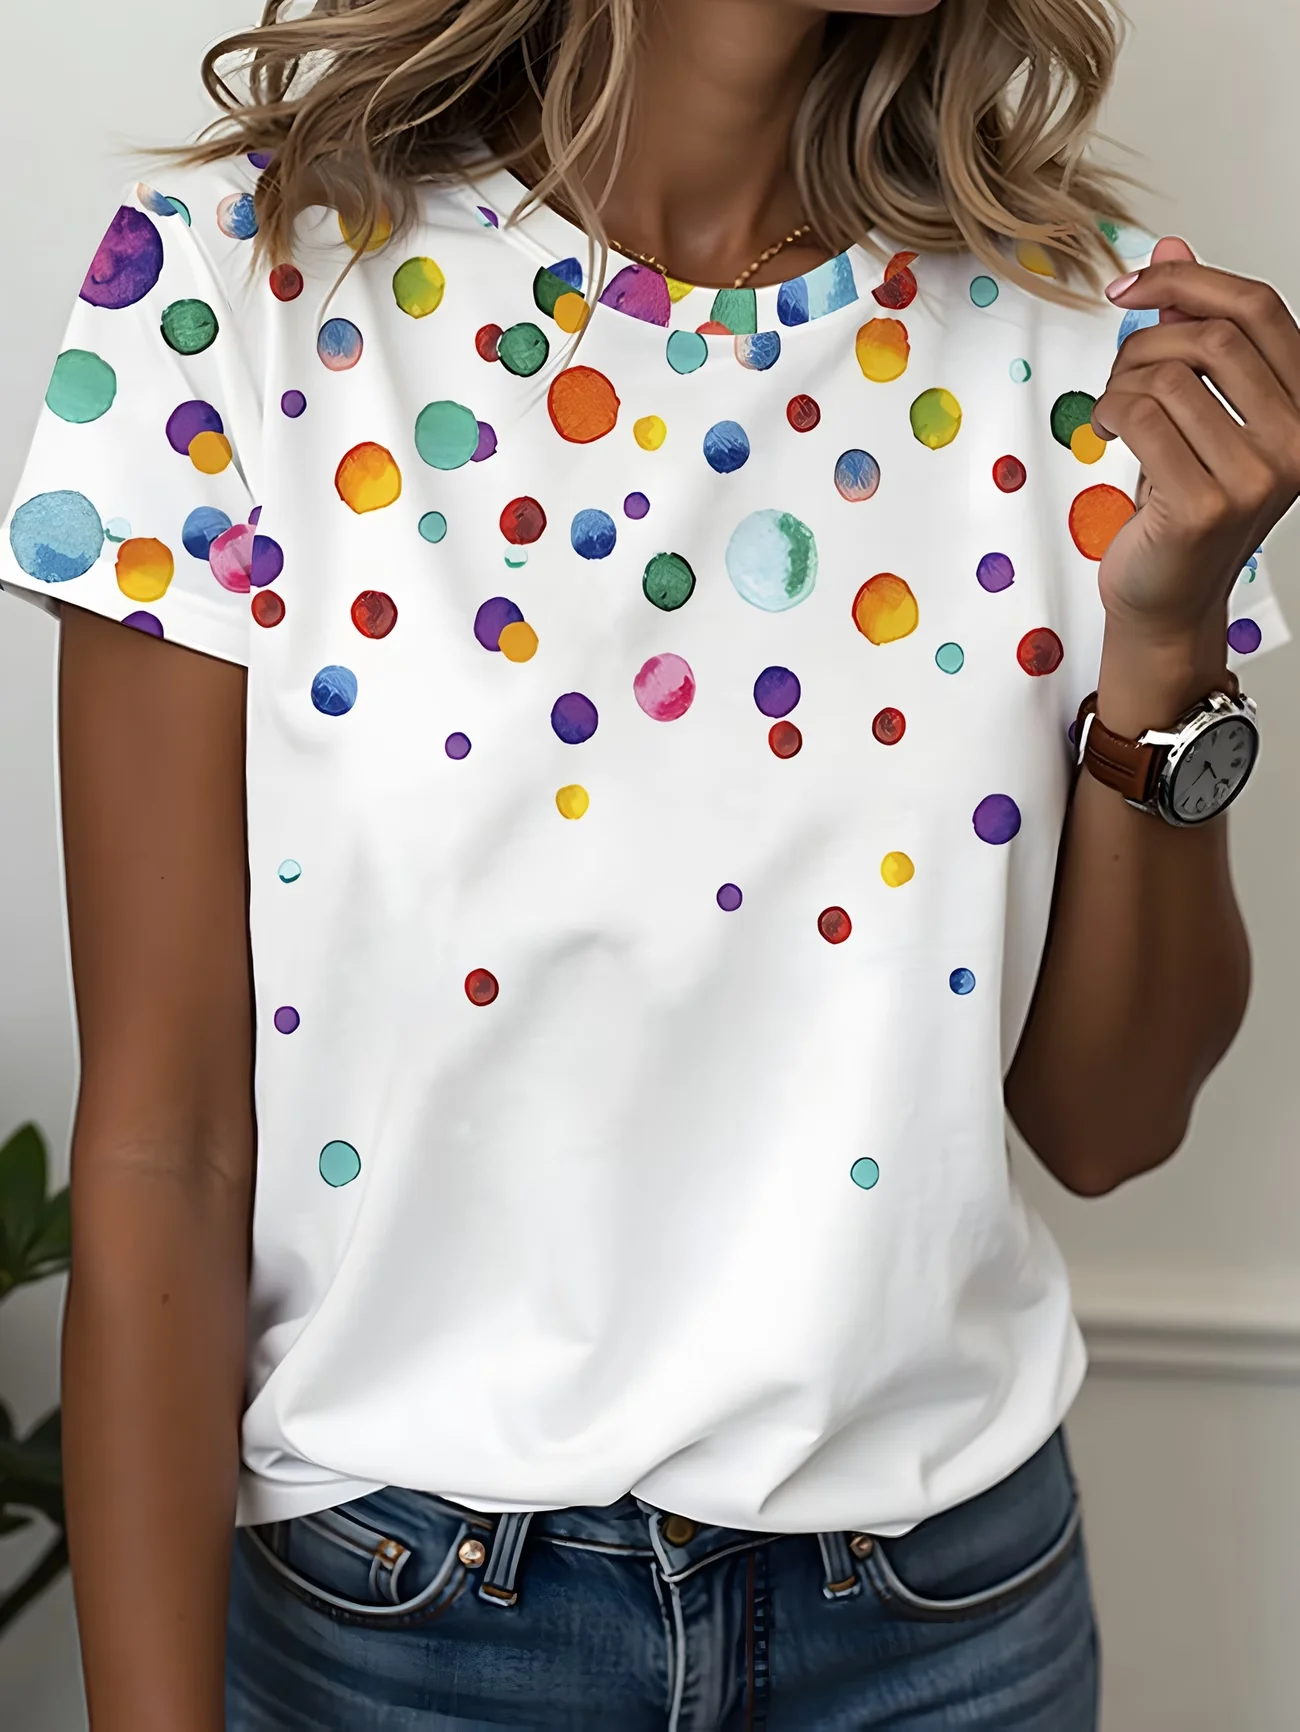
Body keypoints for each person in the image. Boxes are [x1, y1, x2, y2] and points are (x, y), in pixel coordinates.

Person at [2, 0, 1296, 1722]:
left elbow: (1109, 1125)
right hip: (404, 1637)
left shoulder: (1083, 329)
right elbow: (164, 1144)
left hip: (943, 1624)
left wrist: (1169, 644)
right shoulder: (238, 286)